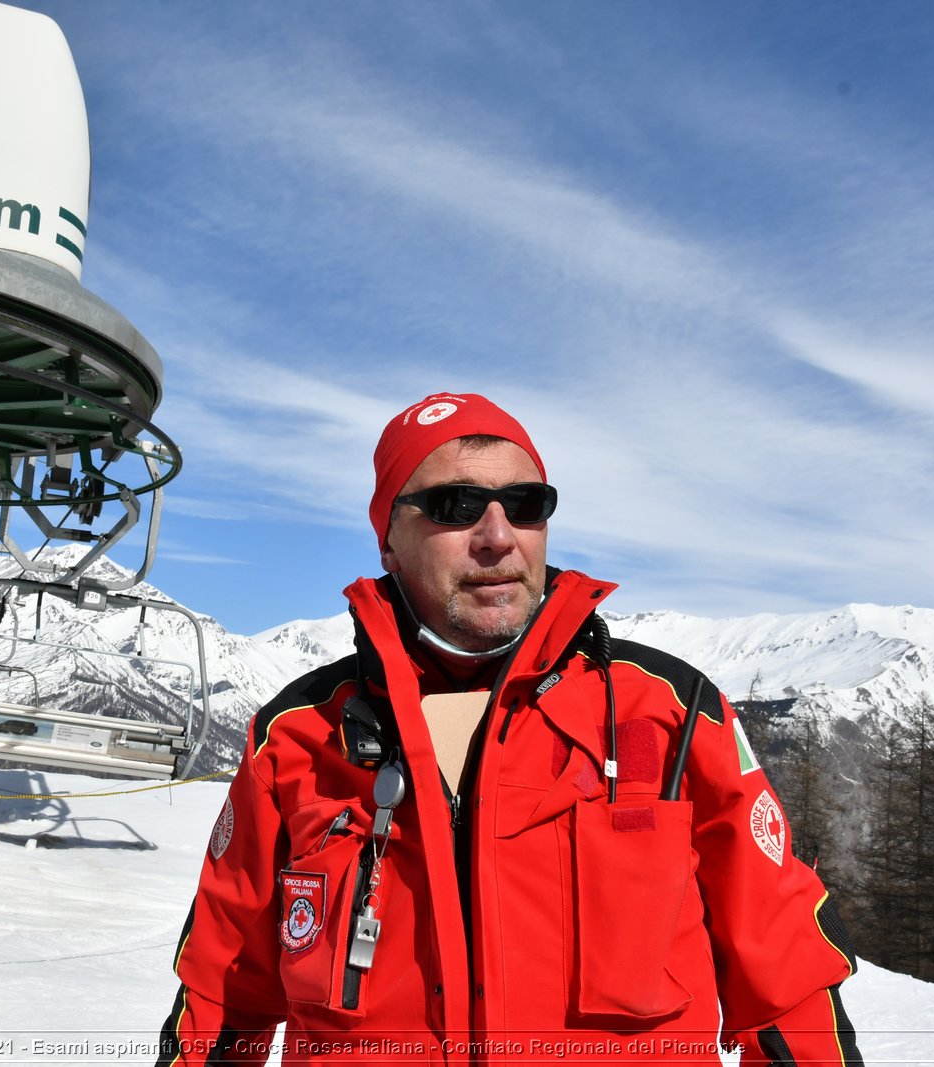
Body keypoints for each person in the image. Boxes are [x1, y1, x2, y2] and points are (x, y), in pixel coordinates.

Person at [156, 393, 862, 1065]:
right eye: (454, 505)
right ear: (388, 541)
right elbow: (222, 1003)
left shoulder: (669, 712)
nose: (498, 536)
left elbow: (788, 989)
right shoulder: (297, 738)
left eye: (524, 505)